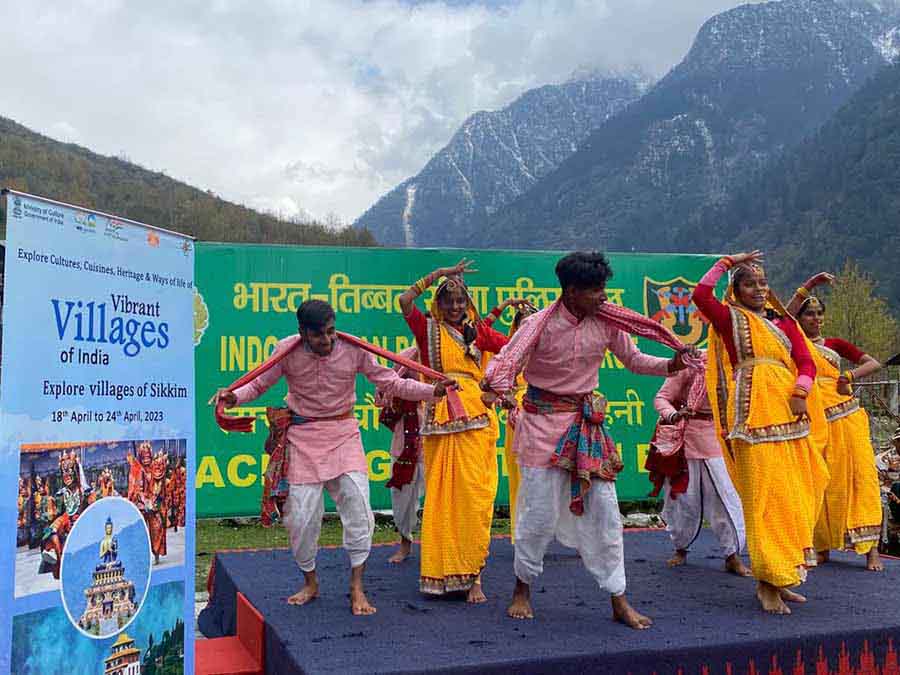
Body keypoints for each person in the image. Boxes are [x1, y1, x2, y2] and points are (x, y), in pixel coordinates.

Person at [481, 251, 698, 628]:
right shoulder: (536, 326)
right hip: (540, 429)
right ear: (570, 290)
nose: (603, 296)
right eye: (595, 290)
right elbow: (504, 367)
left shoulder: (609, 322)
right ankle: (522, 588)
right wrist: (497, 391)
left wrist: (671, 365)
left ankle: (619, 599)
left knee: (606, 514)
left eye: (604, 288)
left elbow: (634, 361)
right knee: (537, 515)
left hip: (587, 429)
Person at [217, 299, 451, 616]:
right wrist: (235, 397)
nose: (327, 340)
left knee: (359, 510)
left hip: (344, 434)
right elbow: (258, 383)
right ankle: (310, 582)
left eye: (330, 332)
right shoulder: (287, 350)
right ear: (302, 332)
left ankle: (357, 586)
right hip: (303, 438)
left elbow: (391, 382)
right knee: (299, 518)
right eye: (319, 336)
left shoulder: (353, 348)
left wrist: (431, 392)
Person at [693, 251, 830, 615]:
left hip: (790, 412)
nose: (758, 288)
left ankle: (783, 574)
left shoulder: (783, 324)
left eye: (763, 283)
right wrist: (726, 261)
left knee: (797, 493)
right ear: (736, 290)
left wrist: (801, 392)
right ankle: (765, 581)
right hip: (752, 417)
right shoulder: (729, 319)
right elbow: (700, 295)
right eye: (750, 283)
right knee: (763, 499)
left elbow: (805, 361)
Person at [398, 259, 517, 603]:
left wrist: (496, 391)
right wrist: (436, 275)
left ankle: (474, 575)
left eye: (460, 301)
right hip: (441, 421)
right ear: (438, 303)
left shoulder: (478, 333)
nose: (454, 306)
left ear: (468, 304)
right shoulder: (427, 330)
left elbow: (514, 351)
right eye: (448, 300)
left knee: (475, 499)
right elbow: (405, 302)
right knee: (442, 500)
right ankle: (440, 571)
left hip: (478, 419)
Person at [786, 277, 885, 571]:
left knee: (861, 479)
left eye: (818, 313)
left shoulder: (834, 345)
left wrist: (849, 377)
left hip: (846, 417)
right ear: (800, 318)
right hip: (815, 422)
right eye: (809, 314)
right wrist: (810, 284)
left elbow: (873, 362)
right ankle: (822, 544)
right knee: (818, 481)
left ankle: (871, 550)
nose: (815, 318)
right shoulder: (792, 343)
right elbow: (784, 317)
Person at [650, 351, 750, 576]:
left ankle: (732, 555)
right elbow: (661, 398)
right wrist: (674, 415)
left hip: (720, 438)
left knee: (725, 498)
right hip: (686, 438)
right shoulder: (694, 363)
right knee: (684, 499)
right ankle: (681, 548)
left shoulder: (740, 364)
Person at [484, 302, 537, 542]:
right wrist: (502, 307)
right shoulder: (507, 351)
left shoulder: (547, 352)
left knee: (550, 478)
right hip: (517, 421)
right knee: (519, 476)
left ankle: (555, 532)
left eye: (530, 322)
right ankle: (522, 533)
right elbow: (480, 330)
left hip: (545, 420)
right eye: (520, 323)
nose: (525, 327)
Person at [376, 347, 426, 564]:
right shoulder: (407, 358)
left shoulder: (451, 356)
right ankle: (405, 542)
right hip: (407, 434)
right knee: (402, 494)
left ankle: (441, 547)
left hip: (440, 436)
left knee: (442, 496)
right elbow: (384, 391)